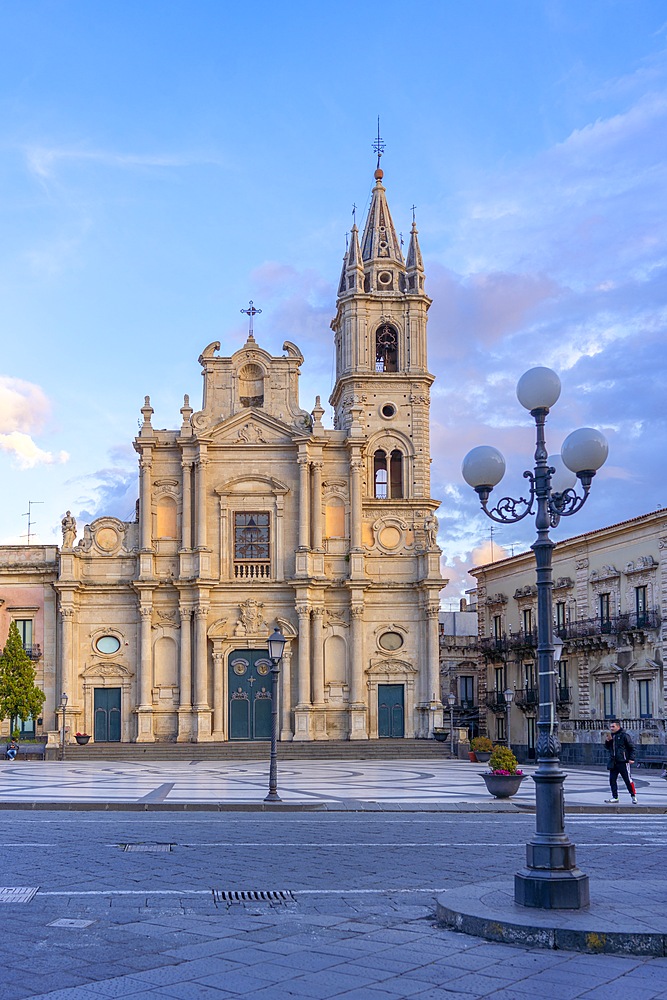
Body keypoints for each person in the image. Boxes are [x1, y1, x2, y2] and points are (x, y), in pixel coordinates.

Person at [604, 720, 637, 803]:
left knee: (627, 780)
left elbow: (632, 747)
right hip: (613, 762)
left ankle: (633, 795)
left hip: (623, 761)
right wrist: (608, 742)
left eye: (613, 726)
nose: (611, 728)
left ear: (618, 727)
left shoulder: (624, 736)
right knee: (612, 780)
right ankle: (615, 797)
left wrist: (631, 758)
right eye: (610, 727)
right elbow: (608, 748)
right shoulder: (611, 736)